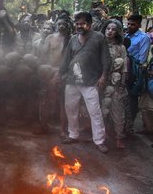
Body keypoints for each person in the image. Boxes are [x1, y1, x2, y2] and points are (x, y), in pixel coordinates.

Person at [59, 11, 111, 153]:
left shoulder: (99, 38)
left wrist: (104, 76)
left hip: (90, 80)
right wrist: (59, 74)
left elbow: (106, 58)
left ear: (90, 24)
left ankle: (99, 140)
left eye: (82, 23)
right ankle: (73, 135)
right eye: (77, 24)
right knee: (70, 108)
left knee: (94, 111)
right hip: (72, 80)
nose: (79, 26)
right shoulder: (73, 39)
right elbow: (66, 59)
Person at [103, 19, 128, 149]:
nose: (110, 31)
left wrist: (122, 85)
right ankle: (100, 136)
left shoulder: (121, 48)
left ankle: (119, 137)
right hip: (101, 82)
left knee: (118, 111)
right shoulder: (99, 45)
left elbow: (124, 68)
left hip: (116, 83)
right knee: (101, 110)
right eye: (108, 29)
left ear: (117, 32)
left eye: (113, 29)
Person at [124, 14, 150, 135]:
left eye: (133, 24)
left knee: (132, 99)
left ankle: (129, 125)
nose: (130, 26)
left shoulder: (144, 38)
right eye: (128, 23)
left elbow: (142, 58)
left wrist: (135, 71)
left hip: (134, 72)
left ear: (139, 25)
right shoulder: (125, 35)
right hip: (123, 70)